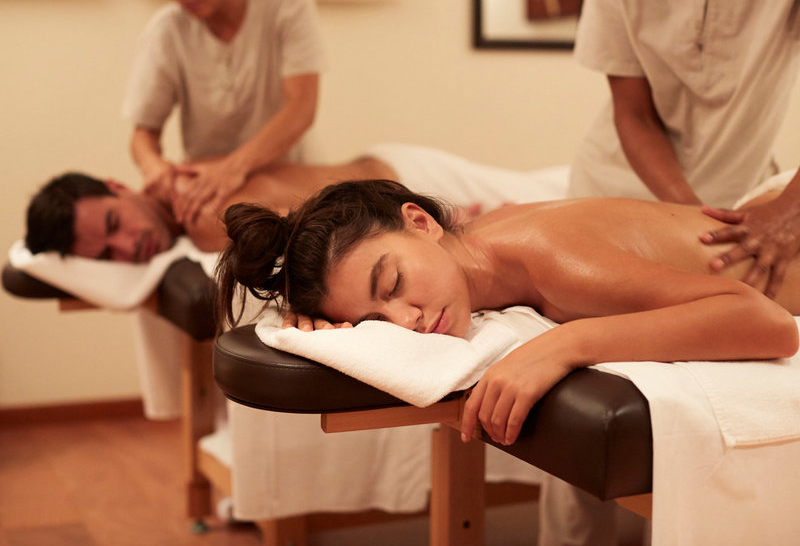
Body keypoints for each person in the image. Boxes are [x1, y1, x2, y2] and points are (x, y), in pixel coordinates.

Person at [215, 178, 799, 398]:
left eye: (392, 283)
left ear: (420, 221)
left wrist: (563, 346)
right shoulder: (475, 250)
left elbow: (768, 325)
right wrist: (316, 322)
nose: (406, 321)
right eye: (374, 321)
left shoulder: (549, 258)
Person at [568, 0, 800, 303]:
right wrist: (690, 220)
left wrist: (790, 209)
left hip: (746, 204)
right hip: (617, 194)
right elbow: (635, 114)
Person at [23, 144, 567, 262]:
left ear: (118, 187)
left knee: (562, 201)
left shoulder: (204, 213)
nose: (128, 246)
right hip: (394, 175)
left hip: (407, 183)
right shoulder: (186, 193)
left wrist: (444, 220)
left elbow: (318, 225)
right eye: (108, 253)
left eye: (113, 223)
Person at [123, 0, 325, 226]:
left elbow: (301, 107)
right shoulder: (167, 30)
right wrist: (153, 167)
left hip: (291, 181)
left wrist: (233, 169)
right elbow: (143, 133)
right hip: (212, 193)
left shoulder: (287, 4)